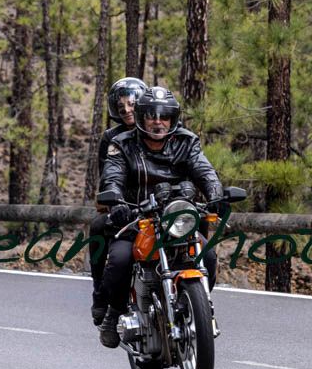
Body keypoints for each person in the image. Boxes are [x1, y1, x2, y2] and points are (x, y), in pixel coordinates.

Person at [95, 86, 223, 349]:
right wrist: (116, 201)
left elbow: (205, 170)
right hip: (137, 216)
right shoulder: (122, 144)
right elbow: (113, 176)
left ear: (173, 119)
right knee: (119, 260)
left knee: (207, 256)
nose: (158, 121)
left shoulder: (187, 141)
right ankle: (114, 313)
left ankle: (199, 308)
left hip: (177, 217)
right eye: (152, 115)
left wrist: (216, 194)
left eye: (164, 116)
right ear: (141, 118)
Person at [90, 77, 148, 325]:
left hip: (158, 205)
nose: (126, 110)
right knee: (97, 227)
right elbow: (108, 176)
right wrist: (117, 201)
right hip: (125, 205)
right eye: (121, 106)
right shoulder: (111, 138)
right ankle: (100, 292)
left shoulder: (159, 129)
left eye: (131, 104)